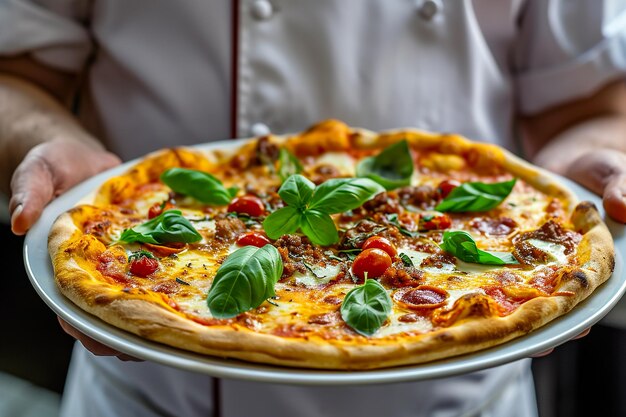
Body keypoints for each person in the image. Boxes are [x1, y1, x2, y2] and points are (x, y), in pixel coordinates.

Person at [1, 1, 625, 416]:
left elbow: (591, 103)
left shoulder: (527, 270)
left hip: (460, 396)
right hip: (155, 397)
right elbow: (15, 74)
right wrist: (38, 142)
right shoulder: (104, 237)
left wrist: (595, 158)